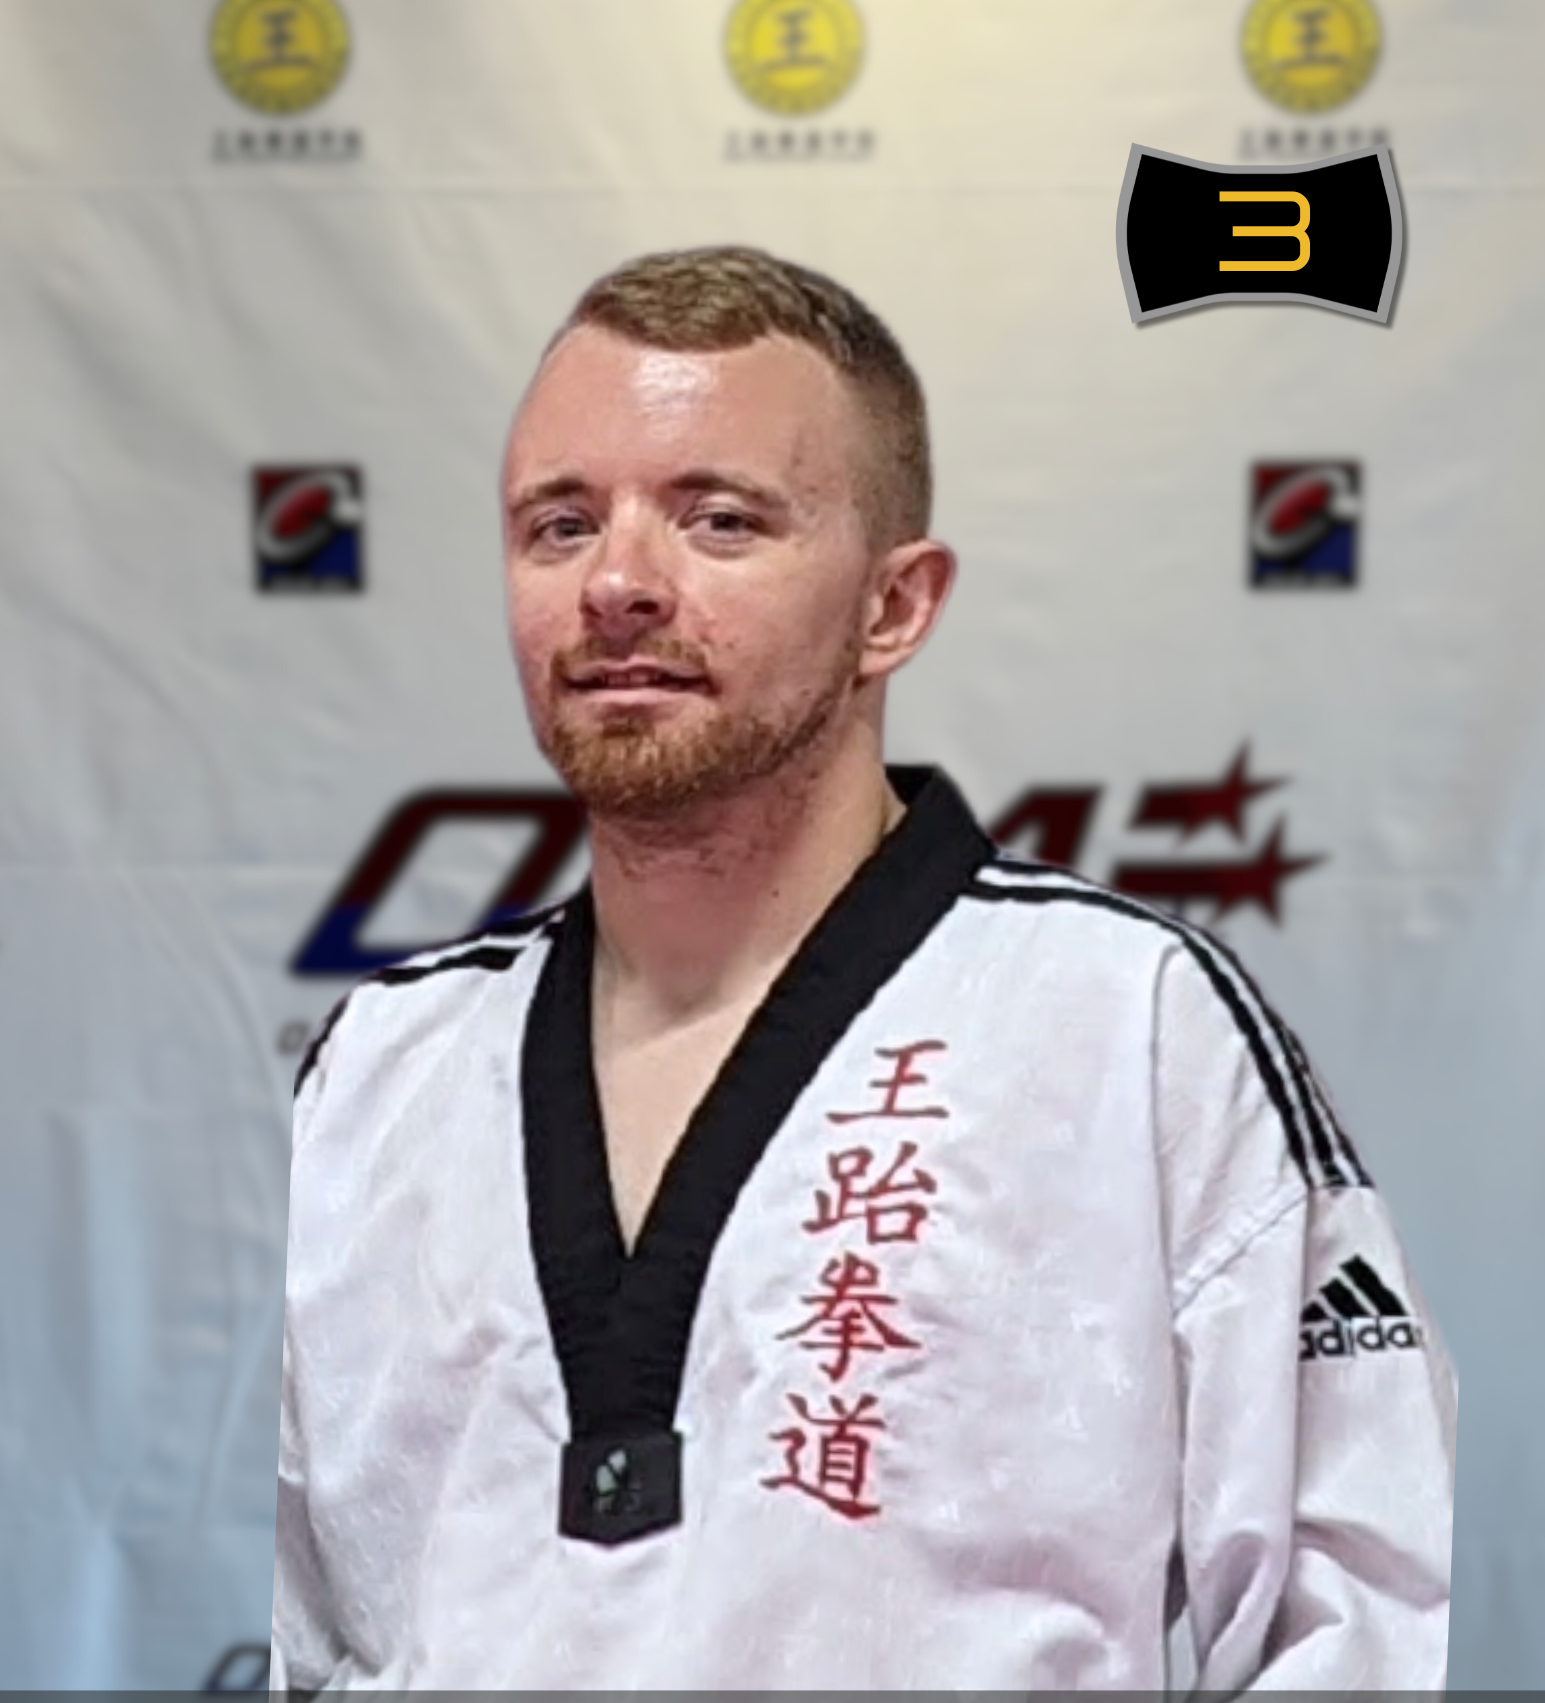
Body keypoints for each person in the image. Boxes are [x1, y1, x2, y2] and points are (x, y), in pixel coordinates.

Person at [270, 245, 1455, 1691]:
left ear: (894, 607)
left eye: (718, 519)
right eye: (560, 524)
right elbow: (328, 1641)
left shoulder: (1129, 1024)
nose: (620, 583)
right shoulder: (385, 1065)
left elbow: (1356, 1621)